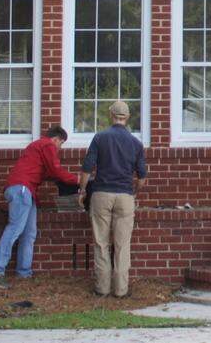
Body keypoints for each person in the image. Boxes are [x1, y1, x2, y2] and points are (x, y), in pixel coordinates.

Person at [0, 125, 78, 290]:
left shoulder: (37, 147)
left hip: (26, 191)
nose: (60, 148)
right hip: (22, 189)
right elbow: (56, 170)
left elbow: (49, 173)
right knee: (15, 228)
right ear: (56, 139)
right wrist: (77, 180)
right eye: (61, 143)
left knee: (29, 233)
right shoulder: (47, 145)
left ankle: (24, 272)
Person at [79, 100, 147, 298]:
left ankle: (102, 288)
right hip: (125, 196)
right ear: (127, 118)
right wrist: (134, 192)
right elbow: (142, 178)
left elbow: (86, 169)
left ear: (111, 115)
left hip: (101, 194)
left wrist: (82, 190)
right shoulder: (136, 143)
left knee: (101, 242)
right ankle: (120, 289)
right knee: (122, 244)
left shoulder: (100, 138)